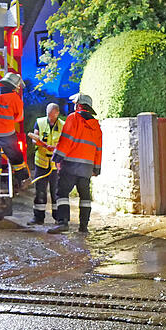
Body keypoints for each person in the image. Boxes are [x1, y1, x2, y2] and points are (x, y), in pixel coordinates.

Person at [48, 93, 102, 234]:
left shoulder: (73, 118)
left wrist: (57, 157)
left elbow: (66, 140)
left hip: (70, 165)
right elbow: (98, 148)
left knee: (62, 193)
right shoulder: (96, 125)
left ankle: (63, 223)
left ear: (78, 105)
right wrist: (96, 168)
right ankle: (84, 227)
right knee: (85, 197)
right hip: (86, 168)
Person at [29, 103, 64, 225]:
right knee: (40, 191)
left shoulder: (63, 126)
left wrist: (54, 148)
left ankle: (58, 218)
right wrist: (38, 142)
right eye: (48, 115)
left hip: (55, 164)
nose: (49, 118)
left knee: (56, 192)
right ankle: (38, 218)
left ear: (57, 113)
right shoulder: (40, 122)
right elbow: (35, 138)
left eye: (52, 115)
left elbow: (65, 144)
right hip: (41, 163)